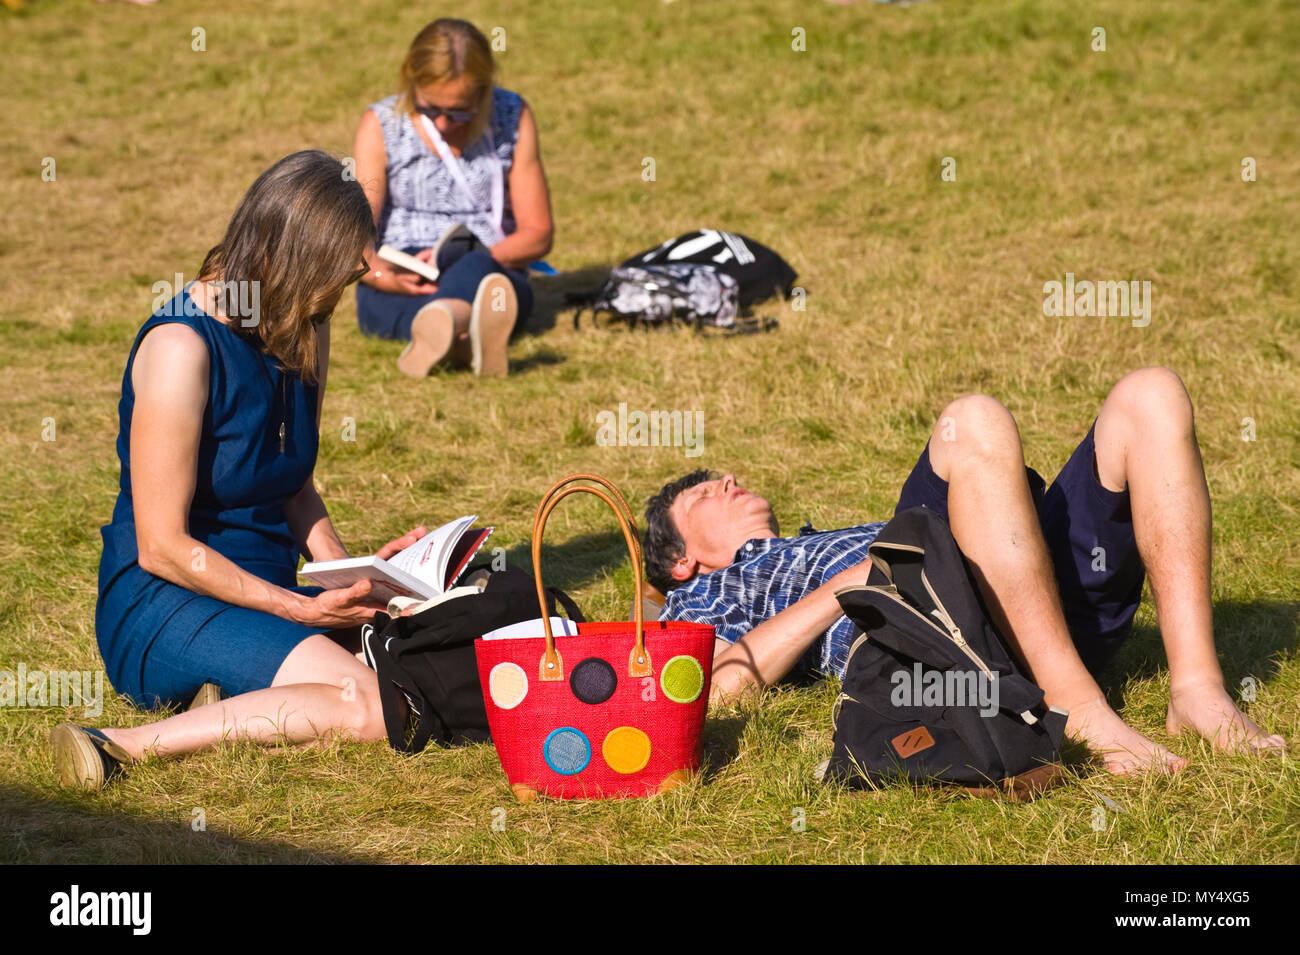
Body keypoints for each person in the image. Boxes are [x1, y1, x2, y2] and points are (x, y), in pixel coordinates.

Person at [642, 367, 1286, 774]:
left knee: (1152, 393)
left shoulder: (814, 540)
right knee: (970, 419)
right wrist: (846, 588)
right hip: (946, 640)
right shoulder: (714, 593)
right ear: (683, 563)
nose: (724, 480)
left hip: (1030, 584)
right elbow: (722, 687)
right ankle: (1076, 707)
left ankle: (1197, 691)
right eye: (701, 494)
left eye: (720, 479)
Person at [54, 151, 426, 788]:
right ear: (292, 259)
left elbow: (294, 485)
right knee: (369, 706)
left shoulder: (304, 321)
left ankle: (225, 706)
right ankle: (117, 744)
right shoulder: (181, 349)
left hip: (264, 590)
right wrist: (297, 610)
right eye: (339, 274)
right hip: (166, 599)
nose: (345, 289)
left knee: (410, 666)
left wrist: (353, 577)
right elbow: (161, 547)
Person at [352, 18, 554, 378]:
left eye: (460, 112)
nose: (444, 124)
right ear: (411, 82)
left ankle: (444, 327)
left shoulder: (512, 116)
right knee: (372, 302)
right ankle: (466, 334)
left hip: (489, 261)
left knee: (485, 278)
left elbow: (538, 233)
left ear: (485, 92)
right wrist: (381, 275)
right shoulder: (381, 123)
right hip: (406, 268)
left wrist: (477, 257)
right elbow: (354, 233)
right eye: (431, 110)